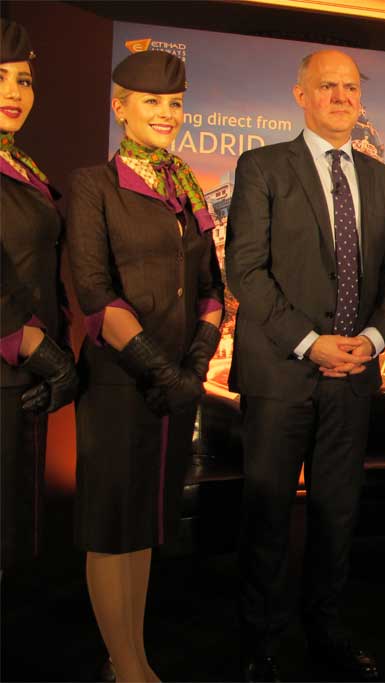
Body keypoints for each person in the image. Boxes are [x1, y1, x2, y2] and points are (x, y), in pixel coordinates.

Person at [226, 49, 385, 682]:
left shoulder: (382, 179)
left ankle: (326, 632)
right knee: (269, 515)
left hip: (354, 376)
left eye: (350, 87)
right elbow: (244, 271)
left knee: (337, 514)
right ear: (300, 95)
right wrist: (312, 342)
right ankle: (261, 641)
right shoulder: (262, 167)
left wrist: (375, 339)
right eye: (326, 85)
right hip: (281, 374)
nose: (340, 96)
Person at [66, 50, 224, 683]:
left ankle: (128, 653)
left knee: (145, 521)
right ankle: (129, 665)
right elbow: (94, 292)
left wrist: (196, 362)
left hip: (175, 383)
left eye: (174, 103)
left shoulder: (185, 184)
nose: (166, 113)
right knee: (112, 523)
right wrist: (159, 368)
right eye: (151, 101)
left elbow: (212, 286)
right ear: (120, 106)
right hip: (118, 379)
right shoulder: (92, 186)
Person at [0, 19, 77, 572]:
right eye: (0, 77)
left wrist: (58, 351)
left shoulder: (20, 165)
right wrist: (30, 342)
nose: (13, 92)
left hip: (23, 376)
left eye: (23, 80)